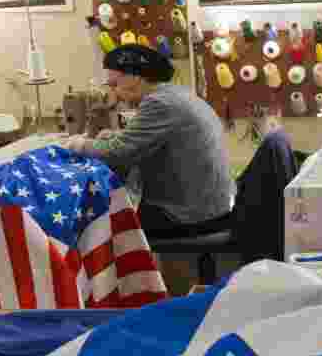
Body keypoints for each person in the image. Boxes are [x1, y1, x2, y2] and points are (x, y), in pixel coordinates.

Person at [62, 44, 236, 238]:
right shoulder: (175, 94)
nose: (114, 93)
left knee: (94, 224)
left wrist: (79, 144)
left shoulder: (159, 103)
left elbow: (117, 153)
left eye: (114, 85)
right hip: (212, 206)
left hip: (191, 215)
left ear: (134, 76)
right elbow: (143, 141)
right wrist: (115, 137)